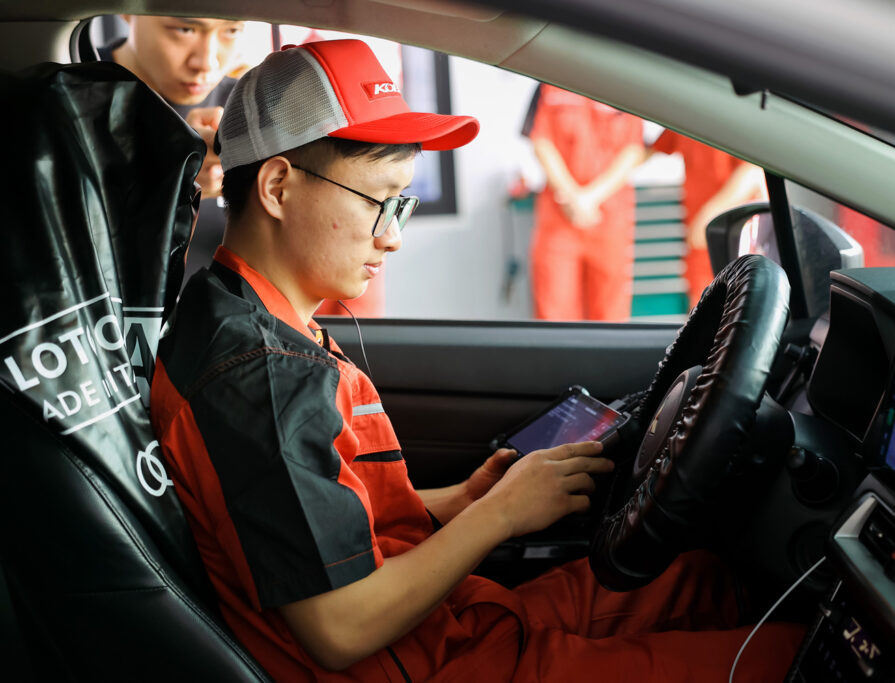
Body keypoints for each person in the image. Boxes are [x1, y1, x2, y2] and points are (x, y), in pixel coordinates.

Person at [150, 39, 803, 682]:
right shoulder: (260, 373)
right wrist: (501, 515)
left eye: (401, 205)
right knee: (784, 662)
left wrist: (459, 501)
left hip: (444, 625)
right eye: (378, 202)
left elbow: (315, 512)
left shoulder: (249, 316)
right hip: (434, 662)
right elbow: (339, 628)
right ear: (277, 187)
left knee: (699, 579)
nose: (392, 237)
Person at [99, 15, 245, 283]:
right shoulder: (73, 96)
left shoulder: (248, 107)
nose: (207, 63)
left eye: (232, 30)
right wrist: (170, 182)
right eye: (185, 29)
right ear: (128, 12)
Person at [526, 84, 646, 321]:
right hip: (559, 219)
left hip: (610, 219)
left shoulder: (626, 84)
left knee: (611, 316)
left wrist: (590, 198)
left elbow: (634, 149)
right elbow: (540, 142)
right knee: (554, 312)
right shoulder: (547, 82)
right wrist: (572, 196)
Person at [648, 130, 766, 302]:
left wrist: (710, 216)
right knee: (702, 307)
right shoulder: (685, 120)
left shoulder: (734, 122)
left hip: (733, 241)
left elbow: (752, 173)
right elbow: (645, 150)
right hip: (701, 244)